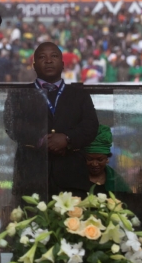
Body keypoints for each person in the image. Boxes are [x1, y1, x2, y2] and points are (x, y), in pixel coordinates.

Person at [5, 41, 99, 198]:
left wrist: (67, 139)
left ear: (63, 64)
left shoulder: (80, 95)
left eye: (54, 56)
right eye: (42, 57)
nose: (48, 60)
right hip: (31, 179)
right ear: (34, 65)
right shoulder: (18, 95)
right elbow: (12, 125)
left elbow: (91, 126)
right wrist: (42, 140)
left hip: (73, 179)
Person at [85, 125, 130, 194]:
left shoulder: (117, 181)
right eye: (89, 159)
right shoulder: (74, 177)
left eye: (100, 160)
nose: (94, 164)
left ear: (107, 159)